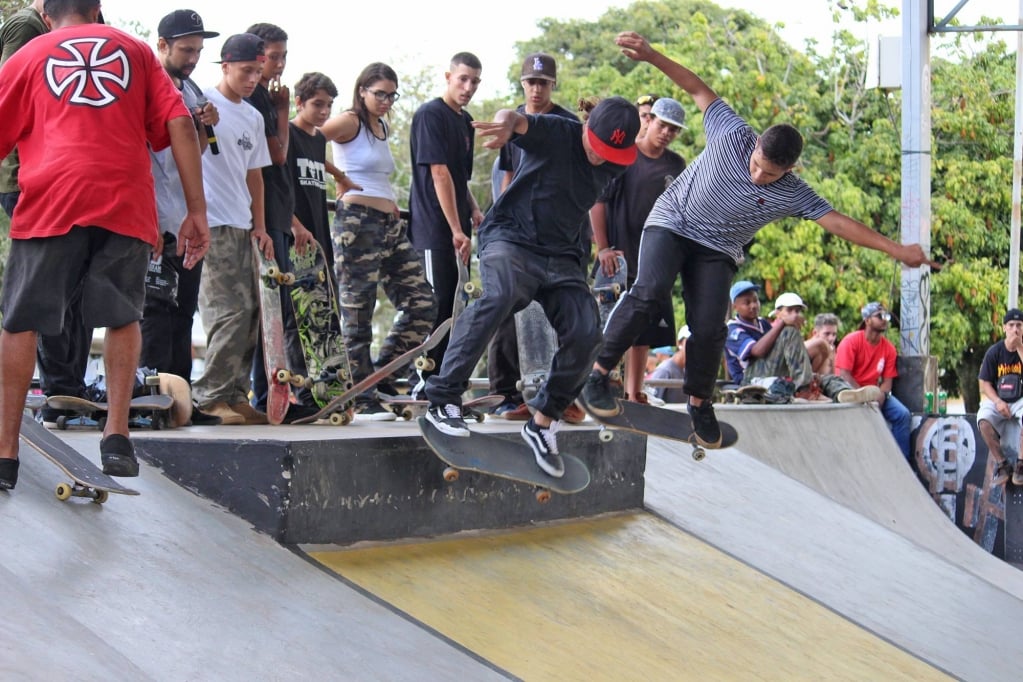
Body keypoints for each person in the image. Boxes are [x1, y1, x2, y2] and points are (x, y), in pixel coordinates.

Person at [580, 32, 936, 449]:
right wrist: (650, 54)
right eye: (756, 164)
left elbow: (839, 223)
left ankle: (699, 403)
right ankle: (598, 376)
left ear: (788, 169)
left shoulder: (794, 191)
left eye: (768, 174)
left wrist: (899, 251)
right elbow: (694, 86)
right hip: (673, 222)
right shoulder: (732, 132)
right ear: (755, 146)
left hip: (718, 249)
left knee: (711, 327)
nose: (757, 176)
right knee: (649, 292)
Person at [0, 0, 209, 489]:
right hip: (125, 201)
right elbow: (179, 124)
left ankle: (5, 453)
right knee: (122, 315)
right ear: (96, 12)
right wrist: (195, 212)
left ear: (48, 16)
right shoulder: (135, 50)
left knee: (20, 321)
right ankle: (116, 435)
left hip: (52, 198)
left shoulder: (30, 54)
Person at [423, 96, 640, 478]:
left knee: (587, 333)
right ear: (587, 129)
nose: (600, 158)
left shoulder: (617, 164)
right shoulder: (560, 132)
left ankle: (542, 423)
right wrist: (507, 123)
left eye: (611, 154)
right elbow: (518, 120)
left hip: (563, 256)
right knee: (502, 295)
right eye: (597, 147)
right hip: (512, 238)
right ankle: (443, 398)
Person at [320, 62, 435, 420]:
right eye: (380, 93)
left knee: (423, 304)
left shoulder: (381, 126)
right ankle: (362, 396)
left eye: (391, 95)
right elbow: (306, 138)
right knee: (358, 314)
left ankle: (381, 378)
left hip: (390, 224)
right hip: (357, 223)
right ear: (363, 91)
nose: (386, 101)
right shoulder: (349, 121)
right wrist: (338, 176)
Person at [1, 0, 94, 428]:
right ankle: (59, 386)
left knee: (76, 290)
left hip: (61, 179)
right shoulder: (26, 26)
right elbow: (12, 95)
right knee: (48, 291)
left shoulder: (80, 28)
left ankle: (69, 384)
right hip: (27, 178)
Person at [488, 52, 582, 422]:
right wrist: (503, 219)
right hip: (519, 231)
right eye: (531, 82)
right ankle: (504, 393)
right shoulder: (512, 121)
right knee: (506, 305)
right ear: (523, 84)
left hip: (557, 234)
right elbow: (507, 173)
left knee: (565, 314)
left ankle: (560, 394)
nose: (537, 89)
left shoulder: (567, 124)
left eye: (543, 83)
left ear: (552, 85)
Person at [142, 9, 222, 427]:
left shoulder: (191, 88)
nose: (192, 58)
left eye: (198, 51)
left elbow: (201, 151)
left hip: (185, 216)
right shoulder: (145, 84)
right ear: (162, 45)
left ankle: (181, 403)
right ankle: (151, 399)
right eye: (186, 50)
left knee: (183, 308)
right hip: (152, 212)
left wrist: (207, 126)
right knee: (153, 307)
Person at [191, 33, 274, 426]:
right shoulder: (203, 101)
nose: (253, 78)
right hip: (212, 221)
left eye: (259, 72)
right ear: (225, 66)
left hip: (243, 223)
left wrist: (261, 225)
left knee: (253, 312)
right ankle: (208, 396)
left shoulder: (254, 115)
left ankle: (235, 394)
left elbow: (255, 175)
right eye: (246, 71)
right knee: (228, 311)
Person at [242, 23, 316, 423]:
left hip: (278, 212)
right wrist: (285, 109)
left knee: (281, 308)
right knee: (267, 311)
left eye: (284, 56)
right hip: (262, 216)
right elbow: (279, 155)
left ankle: (274, 395)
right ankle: (263, 396)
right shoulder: (256, 97)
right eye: (273, 56)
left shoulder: (265, 96)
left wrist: (293, 220)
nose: (280, 65)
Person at [591, 96, 686, 404]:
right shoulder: (624, 156)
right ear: (648, 121)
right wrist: (603, 247)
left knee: (642, 329)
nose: (667, 133)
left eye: (674, 129)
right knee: (606, 323)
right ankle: (595, 383)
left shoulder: (676, 165)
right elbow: (598, 202)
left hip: (655, 257)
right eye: (662, 125)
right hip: (618, 256)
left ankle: (634, 391)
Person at [408, 52, 484, 379]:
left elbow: (458, 178)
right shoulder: (430, 115)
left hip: (459, 232)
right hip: (433, 230)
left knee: (457, 308)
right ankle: (421, 380)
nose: (468, 87)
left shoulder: (466, 122)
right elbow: (439, 173)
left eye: (475, 82)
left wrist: (474, 210)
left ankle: (443, 379)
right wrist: (455, 228)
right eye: (463, 79)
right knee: (434, 306)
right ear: (448, 77)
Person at [725, 284, 879, 403]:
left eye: (755, 300)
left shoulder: (762, 324)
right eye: (747, 302)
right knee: (791, 333)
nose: (753, 305)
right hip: (750, 380)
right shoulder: (732, 330)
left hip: (771, 372)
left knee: (821, 378)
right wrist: (783, 323)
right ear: (735, 307)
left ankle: (844, 393)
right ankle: (805, 389)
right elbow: (757, 351)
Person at [835, 302, 912, 460]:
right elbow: (844, 375)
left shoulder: (889, 348)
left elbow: (887, 381)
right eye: (879, 316)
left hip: (874, 396)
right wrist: (862, 395)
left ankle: (901, 462)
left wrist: (881, 395)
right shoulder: (851, 341)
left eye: (886, 316)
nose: (885, 320)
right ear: (867, 320)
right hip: (850, 393)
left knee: (903, 414)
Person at [976, 308, 1023, 486]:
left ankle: (1021, 464)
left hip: (1020, 400)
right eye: (1011, 325)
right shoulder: (994, 352)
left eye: (1019, 325)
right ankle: (1002, 463)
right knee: (983, 419)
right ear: (1004, 328)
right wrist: (997, 401)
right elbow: (985, 382)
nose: (1015, 329)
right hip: (1000, 398)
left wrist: (1019, 346)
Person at [647, 325, 690, 404]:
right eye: (690, 341)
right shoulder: (665, 371)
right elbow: (653, 405)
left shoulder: (687, 372)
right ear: (679, 343)